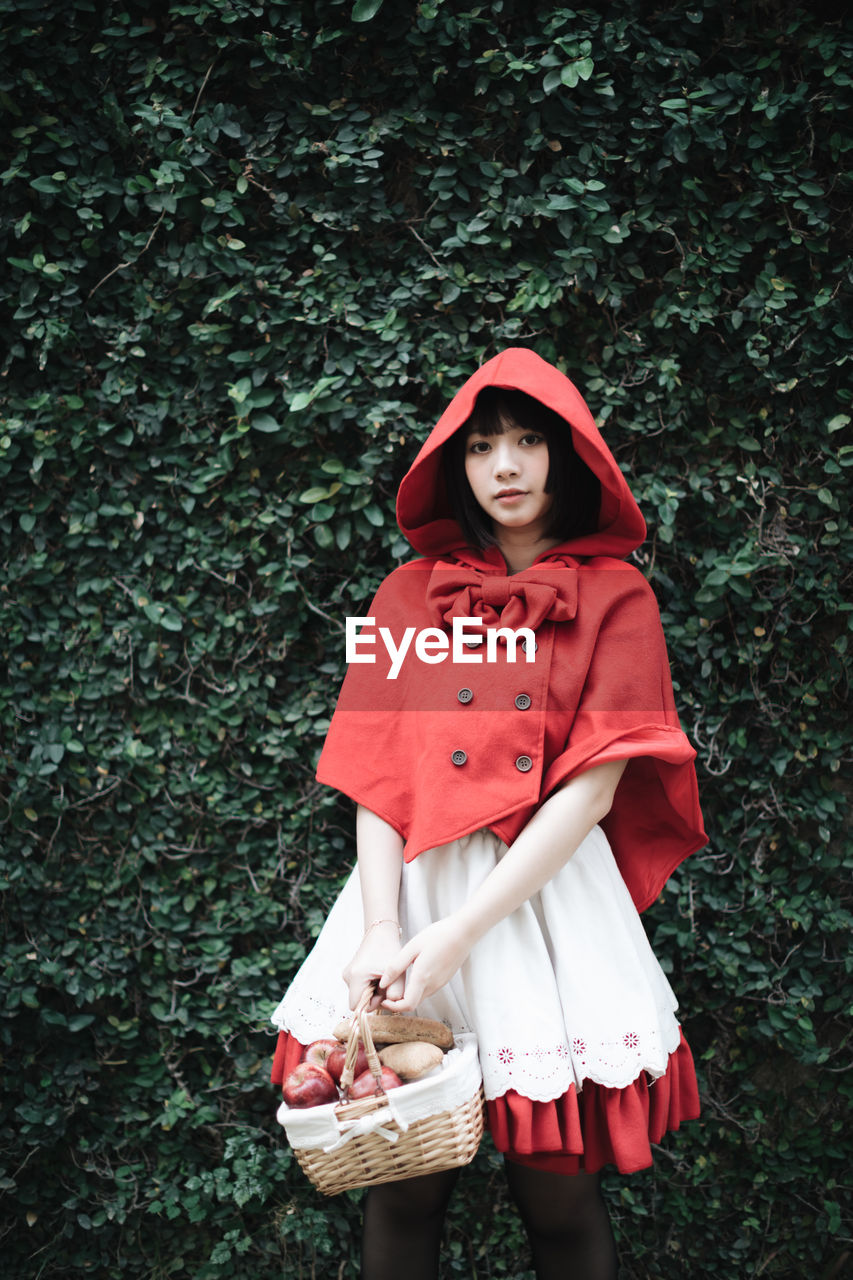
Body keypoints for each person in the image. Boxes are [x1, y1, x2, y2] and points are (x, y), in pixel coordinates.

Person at [271, 347, 707, 1279]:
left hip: (541, 906)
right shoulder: (404, 593)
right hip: (410, 897)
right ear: (454, 465)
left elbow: (594, 789)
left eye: (527, 441)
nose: (504, 466)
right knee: (402, 1175)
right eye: (480, 447)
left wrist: (464, 933)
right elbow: (377, 774)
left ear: (568, 456)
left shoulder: (619, 596)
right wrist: (382, 929)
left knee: (556, 1187)